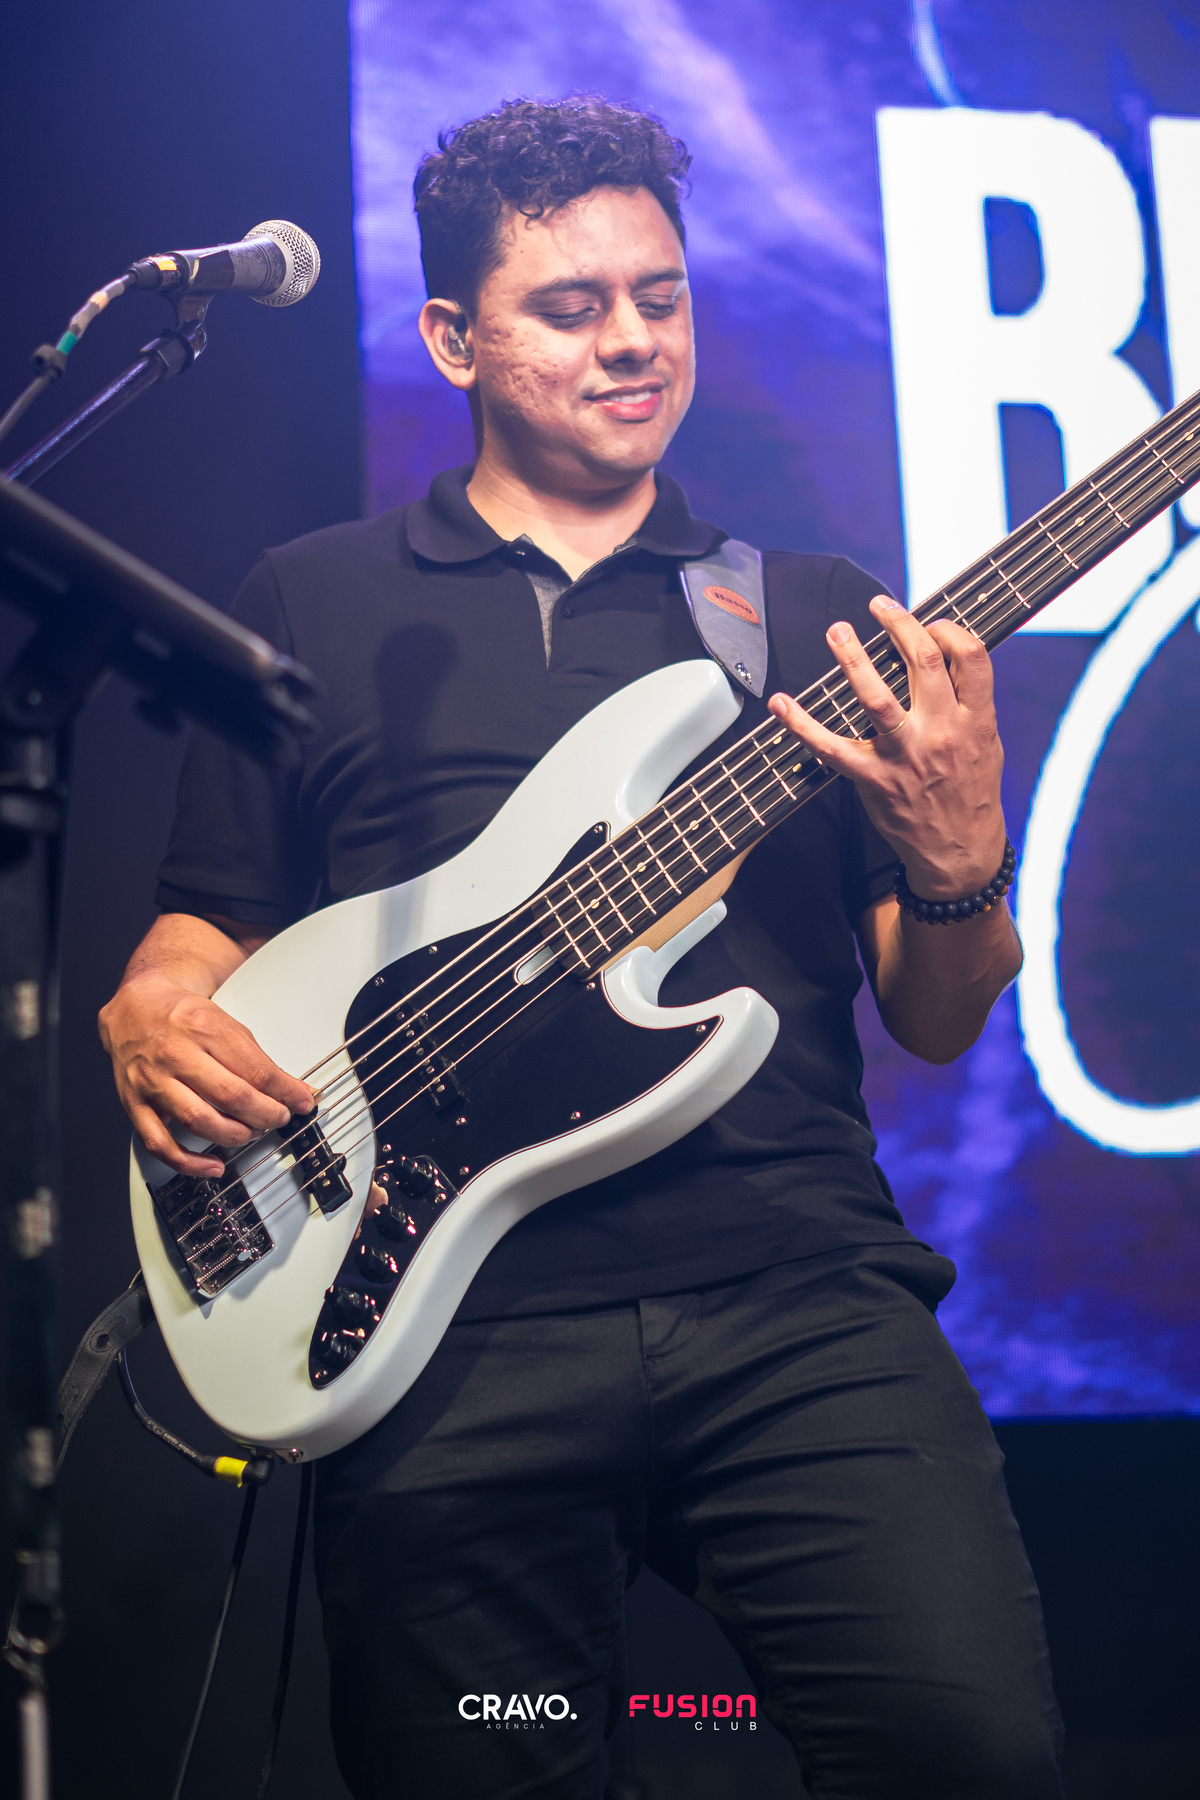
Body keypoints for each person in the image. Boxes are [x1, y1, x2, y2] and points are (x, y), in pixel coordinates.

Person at [99, 98, 1063, 1799]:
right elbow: (209, 913)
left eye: (660, 296)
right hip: (440, 1325)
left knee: (964, 1747)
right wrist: (155, 1000)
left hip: (793, 1304)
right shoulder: (316, 598)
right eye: (571, 306)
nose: (633, 340)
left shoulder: (810, 612)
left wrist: (962, 862)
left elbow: (937, 1016)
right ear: (452, 340)